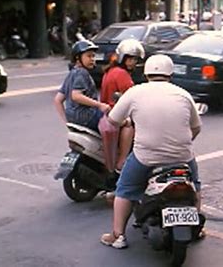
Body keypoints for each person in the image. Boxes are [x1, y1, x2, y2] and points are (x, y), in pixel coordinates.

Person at [100, 54, 203, 248]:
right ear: (170, 73)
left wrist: (128, 121)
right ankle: (196, 228)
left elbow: (112, 121)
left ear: (146, 72)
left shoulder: (134, 92)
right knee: (195, 185)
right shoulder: (183, 94)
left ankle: (118, 235)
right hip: (182, 156)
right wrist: (181, 145)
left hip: (145, 157)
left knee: (124, 189)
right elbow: (196, 127)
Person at [100, 39, 144, 173]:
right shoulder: (122, 74)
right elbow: (133, 96)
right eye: (130, 59)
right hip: (115, 113)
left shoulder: (110, 70)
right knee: (130, 125)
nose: (133, 63)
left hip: (108, 111)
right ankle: (122, 161)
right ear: (122, 58)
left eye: (135, 60)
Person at [53, 40, 110, 132]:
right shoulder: (82, 72)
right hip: (88, 117)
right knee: (119, 121)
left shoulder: (72, 73)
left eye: (93, 56)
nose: (92, 59)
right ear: (78, 58)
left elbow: (57, 100)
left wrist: (67, 122)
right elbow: (76, 96)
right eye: (88, 56)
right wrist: (100, 105)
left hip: (73, 119)